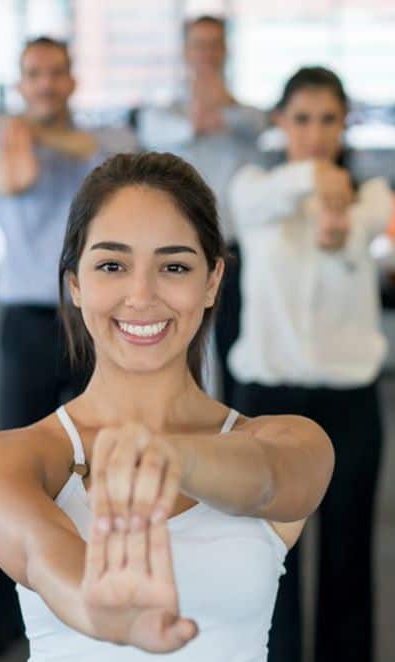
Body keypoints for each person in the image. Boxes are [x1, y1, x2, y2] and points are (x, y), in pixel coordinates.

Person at [0, 151, 334, 662]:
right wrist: (103, 611)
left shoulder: (289, 441)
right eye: (112, 265)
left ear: (212, 281)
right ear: (75, 284)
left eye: (174, 267)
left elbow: (266, 483)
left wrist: (166, 456)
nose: (141, 295)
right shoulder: (10, 460)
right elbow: (43, 556)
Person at [228, 66, 394, 662]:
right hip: (267, 403)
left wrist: (333, 203)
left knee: (348, 563)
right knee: (268, 571)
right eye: (302, 119)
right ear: (280, 122)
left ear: (346, 123)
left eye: (329, 119)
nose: (316, 132)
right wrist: (312, 179)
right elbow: (254, 207)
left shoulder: (371, 196)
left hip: (349, 402)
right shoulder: (254, 186)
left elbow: (352, 229)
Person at [0, 36, 135, 660]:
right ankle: (5, 619)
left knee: (108, 462)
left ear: (71, 81)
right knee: (15, 471)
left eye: (55, 72)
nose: (45, 83)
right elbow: (18, 178)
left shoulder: (105, 141)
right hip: (29, 324)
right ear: (21, 83)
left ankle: (110, 599)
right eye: (34, 74)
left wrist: (44, 134)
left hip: (97, 323)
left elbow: (118, 168)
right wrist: (30, 138)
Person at [136, 15, 266, 403]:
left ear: (226, 51)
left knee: (236, 347)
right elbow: (162, 129)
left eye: (214, 44)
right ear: (185, 52)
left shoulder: (247, 117)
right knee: (178, 346)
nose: (207, 54)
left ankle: (238, 432)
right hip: (177, 253)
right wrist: (200, 119)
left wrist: (221, 110)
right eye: (199, 45)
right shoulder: (162, 116)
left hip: (235, 251)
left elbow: (255, 125)